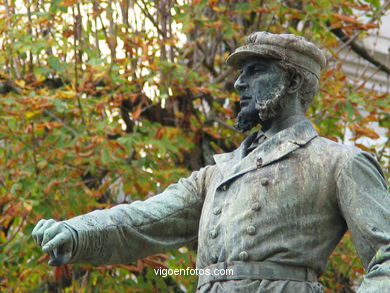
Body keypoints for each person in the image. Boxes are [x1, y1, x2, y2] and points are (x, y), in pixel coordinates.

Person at [32, 32, 390, 293]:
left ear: (292, 80)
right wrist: (77, 231)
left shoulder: (339, 162)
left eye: (254, 70)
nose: (238, 83)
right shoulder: (218, 174)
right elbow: (145, 220)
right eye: (241, 73)